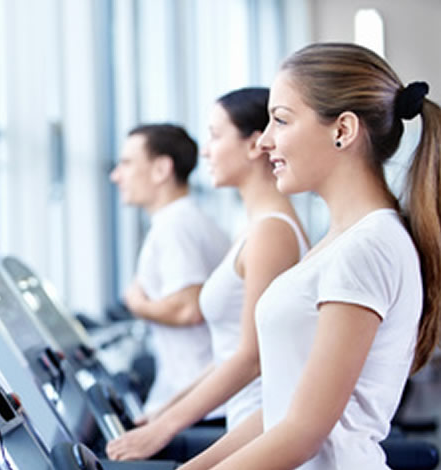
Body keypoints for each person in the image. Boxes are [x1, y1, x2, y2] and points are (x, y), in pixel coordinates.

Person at [180, 42, 441, 470]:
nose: (265, 142)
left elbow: (302, 433)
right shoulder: (344, 239)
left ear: (343, 130)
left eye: (280, 120)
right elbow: (285, 410)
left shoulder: (368, 247)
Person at [107, 88, 309, 461]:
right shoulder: (254, 229)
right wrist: (165, 410)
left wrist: (164, 429)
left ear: (254, 145)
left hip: (258, 427)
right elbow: (230, 353)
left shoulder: (270, 233)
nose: (205, 152)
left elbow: (251, 357)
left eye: (216, 136)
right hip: (243, 418)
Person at [109, 124, 230, 418]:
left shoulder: (175, 226)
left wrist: (136, 304)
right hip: (198, 396)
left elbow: (187, 309)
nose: (116, 176)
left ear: (162, 168)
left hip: (201, 404)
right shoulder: (189, 220)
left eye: (126, 163)